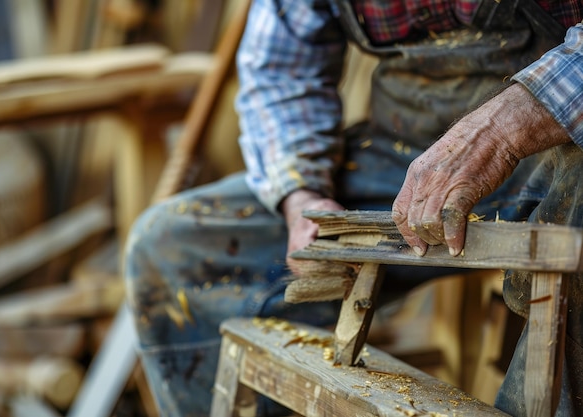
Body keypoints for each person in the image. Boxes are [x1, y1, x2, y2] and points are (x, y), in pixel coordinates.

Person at [123, 0, 583, 416]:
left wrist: (501, 130)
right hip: (403, 154)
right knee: (171, 248)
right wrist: (301, 193)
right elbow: (282, 71)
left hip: (560, 136)